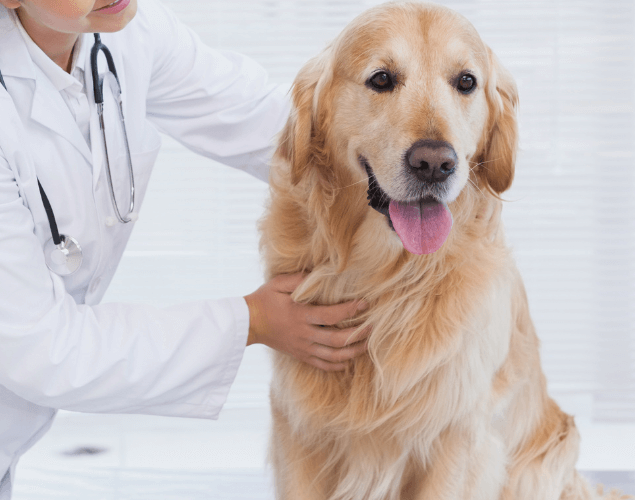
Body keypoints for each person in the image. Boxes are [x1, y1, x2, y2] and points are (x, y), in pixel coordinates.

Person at [0, 0, 370, 497]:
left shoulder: (127, 31)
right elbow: (43, 347)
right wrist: (252, 321)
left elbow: (276, 127)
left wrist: (403, 150)